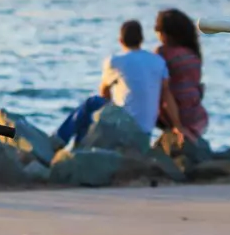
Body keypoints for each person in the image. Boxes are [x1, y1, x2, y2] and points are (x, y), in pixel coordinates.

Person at [55, 18, 181, 148]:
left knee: (91, 104)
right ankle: (78, 146)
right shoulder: (158, 61)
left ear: (120, 40)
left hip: (124, 129)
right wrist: (177, 126)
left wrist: (111, 109)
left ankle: (63, 140)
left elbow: (104, 92)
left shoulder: (115, 61)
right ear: (141, 40)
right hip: (145, 134)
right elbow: (167, 97)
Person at [155, 9, 207, 150]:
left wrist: (178, 125)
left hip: (175, 114)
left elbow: (163, 92)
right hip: (196, 115)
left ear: (165, 33)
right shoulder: (193, 53)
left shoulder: (162, 53)